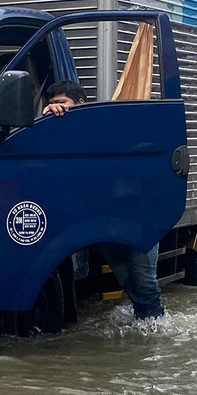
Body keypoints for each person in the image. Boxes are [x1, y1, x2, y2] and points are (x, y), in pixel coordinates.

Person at [41, 81, 165, 319]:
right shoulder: (55, 130)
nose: (57, 107)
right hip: (107, 219)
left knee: (144, 280)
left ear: (80, 104)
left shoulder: (104, 126)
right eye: (52, 103)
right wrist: (46, 122)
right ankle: (144, 322)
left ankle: (157, 327)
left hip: (140, 217)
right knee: (127, 279)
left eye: (62, 103)